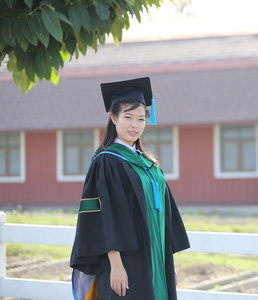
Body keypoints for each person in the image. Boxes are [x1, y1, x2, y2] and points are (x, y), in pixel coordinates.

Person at [70, 77, 190, 300]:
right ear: (114, 117)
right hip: (126, 263)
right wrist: (116, 265)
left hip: (155, 261)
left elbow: (163, 217)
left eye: (141, 119)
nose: (135, 125)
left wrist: (165, 262)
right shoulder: (107, 162)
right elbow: (105, 216)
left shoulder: (148, 164)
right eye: (128, 117)